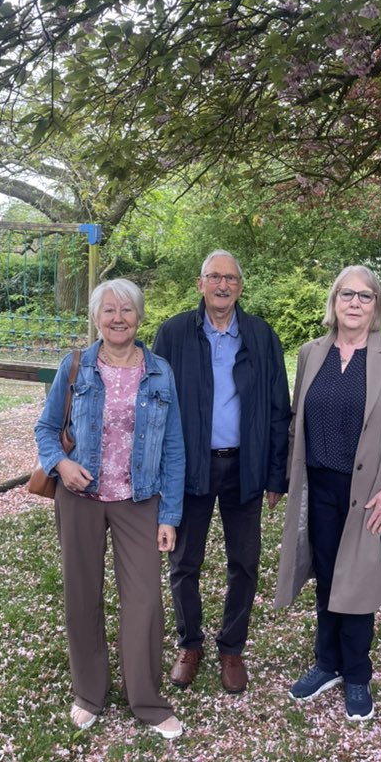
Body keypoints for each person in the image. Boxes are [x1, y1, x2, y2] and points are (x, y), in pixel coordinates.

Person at [34, 279, 186, 739]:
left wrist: (170, 515)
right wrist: (61, 464)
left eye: (127, 310)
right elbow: (45, 429)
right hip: (80, 498)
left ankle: (147, 701)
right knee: (82, 596)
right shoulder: (75, 366)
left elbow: (174, 447)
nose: (118, 318)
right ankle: (89, 693)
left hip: (139, 500)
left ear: (140, 317)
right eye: (109, 310)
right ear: (96, 318)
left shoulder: (160, 372)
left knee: (144, 602)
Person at [274, 265, 381, 722]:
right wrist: (283, 479)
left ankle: (357, 672)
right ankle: (327, 663)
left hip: (368, 492)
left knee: (357, 580)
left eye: (365, 296)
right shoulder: (311, 353)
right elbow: (297, 420)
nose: (355, 303)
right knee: (325, 574)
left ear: (376, 305)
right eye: (347, 294)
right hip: (318, 486)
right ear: (334, 301)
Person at [152, 250, 291, 694]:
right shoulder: (173, 334)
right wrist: (158, 472)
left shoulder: (261, 336)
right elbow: (153, 405)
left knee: (244, 563)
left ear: (240, 287)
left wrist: (276, 475)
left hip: (244, 466)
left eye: (231, 278)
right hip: (189, 467)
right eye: (215, 277)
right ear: (200, 284)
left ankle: (232, 648)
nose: (223, 285)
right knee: (183, 562)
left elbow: (279, 409)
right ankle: (189, 644)